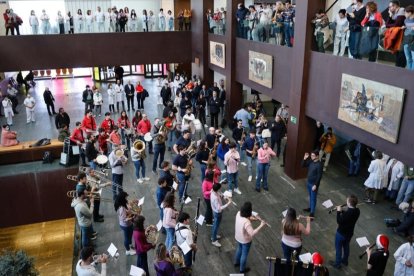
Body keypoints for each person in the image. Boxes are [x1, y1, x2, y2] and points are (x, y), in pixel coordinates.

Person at [234, 201, 266, 273]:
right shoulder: (247, 222)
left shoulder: (238, 213)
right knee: (244, 254)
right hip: (245, 240)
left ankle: (236, 262)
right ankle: (242, 269)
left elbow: (246, 219)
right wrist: (261, 225)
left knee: (239, 249)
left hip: (238, 237)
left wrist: (254, 219)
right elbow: (252, 233)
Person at [330, 195, 360, 269]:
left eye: (347, 200)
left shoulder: (348, 214)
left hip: (341, 233)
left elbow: (339, 221)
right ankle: (345, 261)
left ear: (349, 203)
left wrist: (338, 212)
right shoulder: (357, 211)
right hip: (349, 233)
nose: (346, 201)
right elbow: (348, 215)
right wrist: (342, 210)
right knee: (346, 246)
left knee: (338, 248)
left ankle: (337, 264)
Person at [302, 150, 323, 218]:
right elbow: (303, 165)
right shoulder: (311, 161)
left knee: (313, 198)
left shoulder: (319, 165)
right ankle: (310, 208)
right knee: (310, 197)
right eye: (311, 155)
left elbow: (319, 176)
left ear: (317, 156)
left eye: (313, 156)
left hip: (313, 184)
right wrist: (304, 158)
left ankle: (312, 214)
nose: (311, 157)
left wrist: (316, 185)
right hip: (309, 182)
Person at [386, 0, 407, 68]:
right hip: (398, 34)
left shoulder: (401, 10)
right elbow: (387, 24)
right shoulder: (394, 13)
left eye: (390, 7)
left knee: (401, 51)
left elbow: (397, 24)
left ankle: (401, 67)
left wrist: (390, 25)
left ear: (395, 6)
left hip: (404, 34)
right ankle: (398, 67)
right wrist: (390, 15)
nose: (389, 8)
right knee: (397, 50)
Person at [115, 191, 136, 256]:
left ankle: (130, 245)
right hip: (126, 225)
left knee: (129, 236)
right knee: (127, 238)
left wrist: (133, 203)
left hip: (129, 224)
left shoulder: (123, 203)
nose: (127, 198)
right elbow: (124, 219)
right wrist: (132, 217)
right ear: (122, 199)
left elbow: (128, 206)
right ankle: (128, 250)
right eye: (126, 197)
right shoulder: (121, 208)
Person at [211, 183, 232, 247]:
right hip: (217, 212)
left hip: (216, 211)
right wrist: (228, 203)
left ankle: (214, 235)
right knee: (216, 225)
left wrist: (223, 196)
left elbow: (219, 194)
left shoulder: (213, 191)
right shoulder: (214, 197)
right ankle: (214, 240)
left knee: (215, 225)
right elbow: (219, 208)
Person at [402, 6, 414, 71]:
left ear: (410, 13)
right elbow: (407, 27)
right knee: (408, 58)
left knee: (413, 59)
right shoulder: (405, 20)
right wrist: (404, 27)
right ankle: (409, 73)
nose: (404, 14)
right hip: (406, 40)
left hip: (413, 41)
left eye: (406, 13)